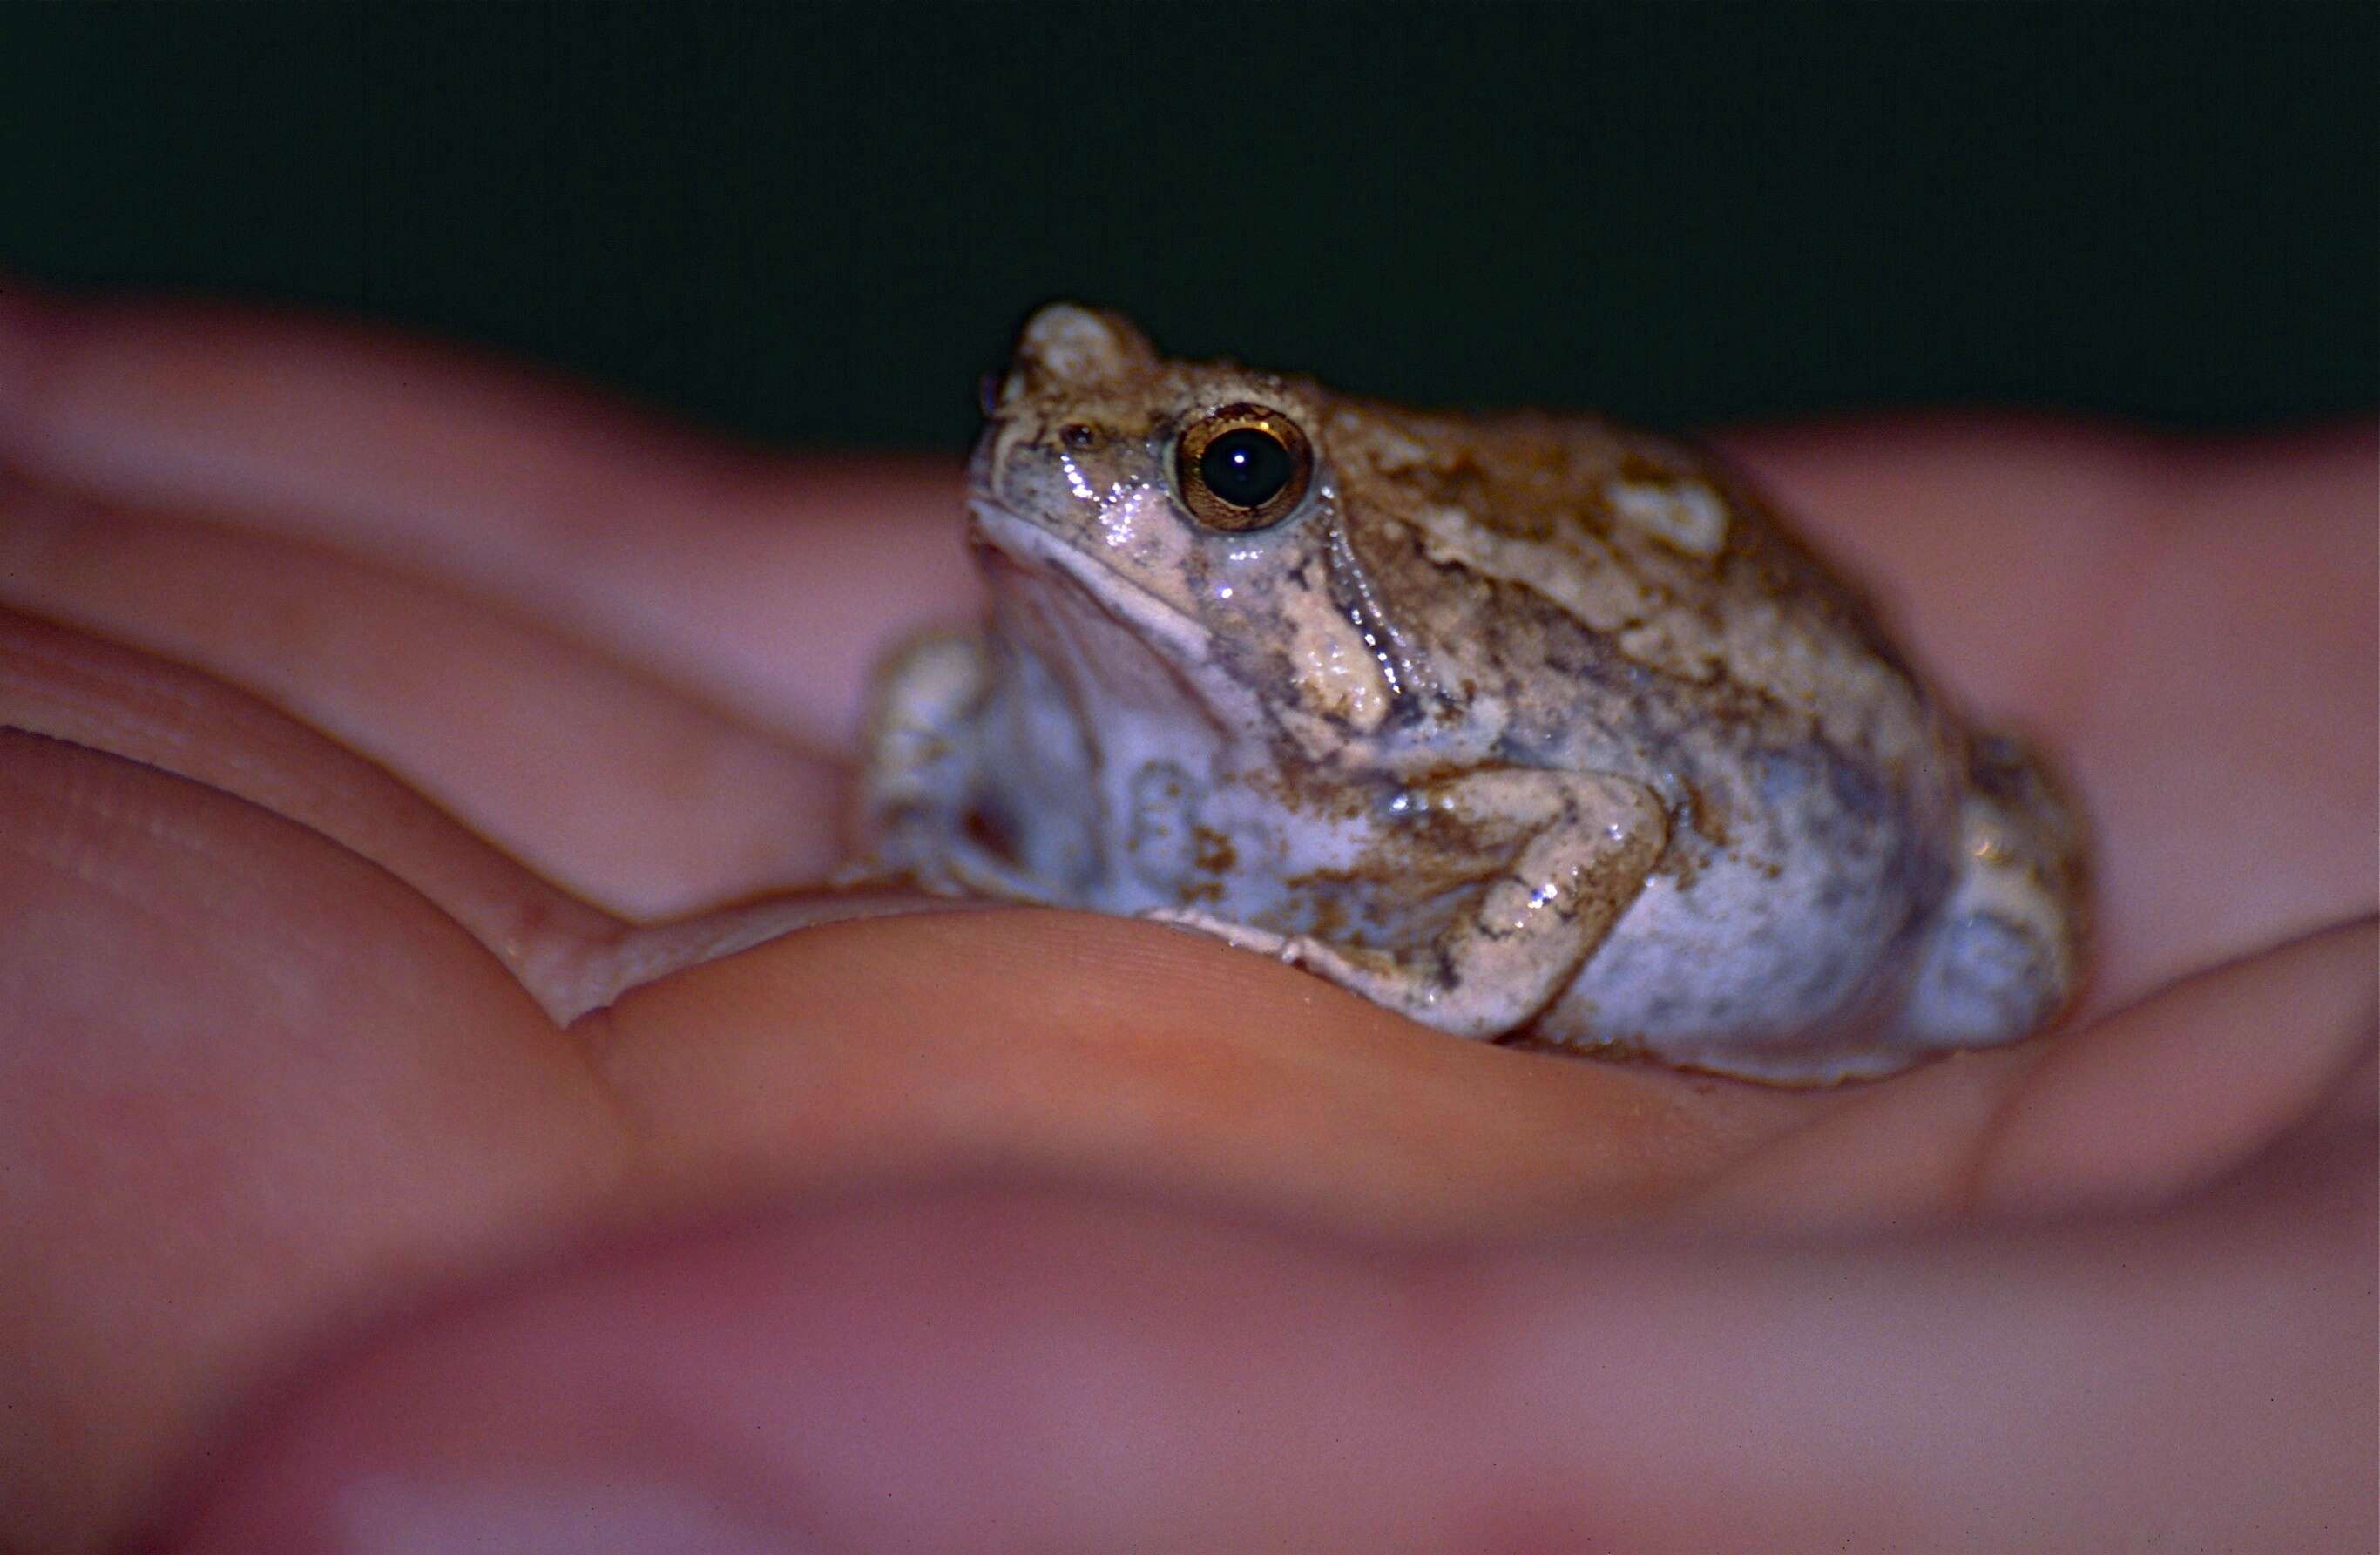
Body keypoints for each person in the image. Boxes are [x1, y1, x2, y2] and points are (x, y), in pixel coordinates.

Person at [0, 280, 2370, 1552]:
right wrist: (914, 830)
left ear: (1317, 540)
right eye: (1052, 405)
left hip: (1840, 798)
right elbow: (931, 690)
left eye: (1218, 482)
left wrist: (1423, 981)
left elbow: (1597, 827)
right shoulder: (1029, 653)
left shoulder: (1455, 706)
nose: (1068, 470)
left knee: (2000, 904)